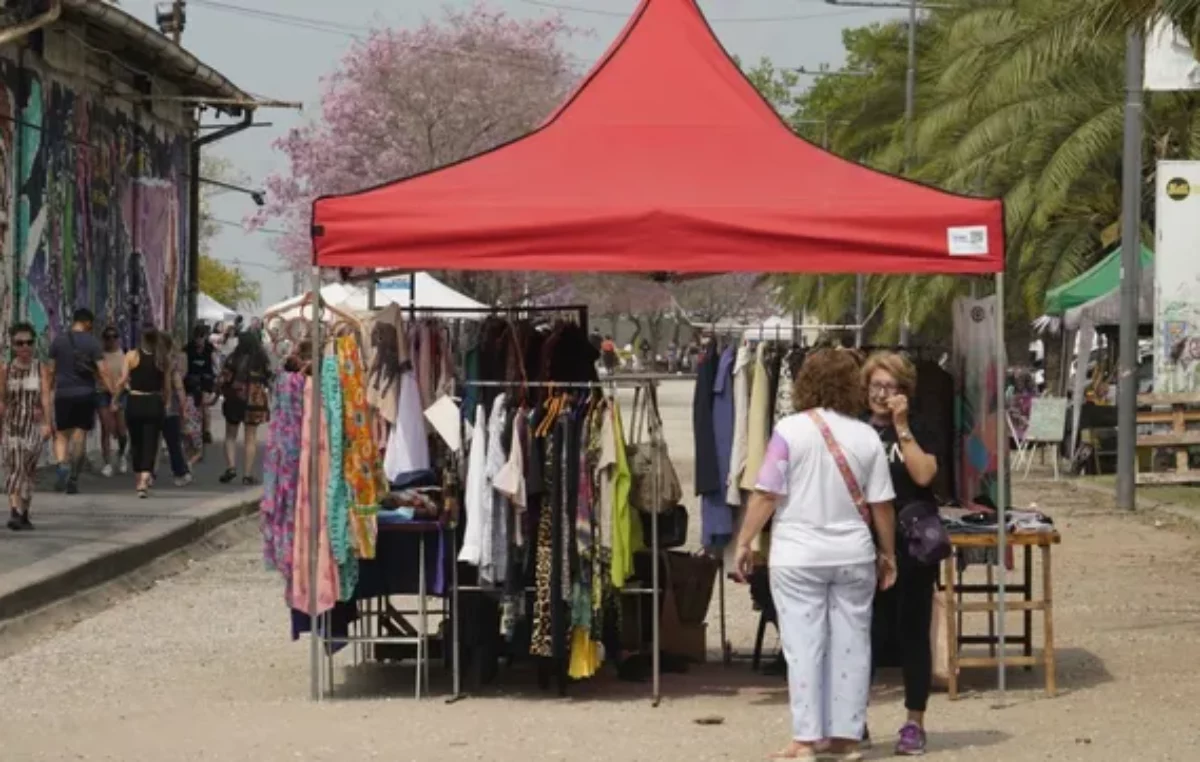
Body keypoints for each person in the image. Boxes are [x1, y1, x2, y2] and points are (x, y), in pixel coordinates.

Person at [734, 348, 897, 761]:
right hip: (853, 554)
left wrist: (745, 541)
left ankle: (805, 740)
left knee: (803, 646)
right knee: (852, 644)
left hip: (798, 555)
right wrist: (888, 553)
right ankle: (845, 739)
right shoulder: (867, 437)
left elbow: (767, 493)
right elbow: (881, 504)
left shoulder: (789, 430)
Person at [862, 352, 940, 757]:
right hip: (861, 545)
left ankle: (914, 722)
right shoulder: (854, 428)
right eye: (875, 386)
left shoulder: (920, 426)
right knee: (861, 635)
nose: (881, 394)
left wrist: (902, 427)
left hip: (911, 546)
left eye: (889, 387)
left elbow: (924, 475)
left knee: (913, 633)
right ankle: (853, 718)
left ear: (905, 392)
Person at [48, 307, 116, 494]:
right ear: (87, 323)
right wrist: (113, 392)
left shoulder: (58, 341)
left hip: (63, 394)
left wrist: (49, 391)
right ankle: (74, 477)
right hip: (85, 394)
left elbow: (51, 371)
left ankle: (62, 465)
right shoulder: (93, 343)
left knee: (61, 434)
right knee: (79, 436)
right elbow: (103, 370)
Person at [1, 323, 54, 530]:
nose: (24, 347)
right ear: (13, 346)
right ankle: (15, 511)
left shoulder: (41, 369)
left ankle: (25, 511)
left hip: (33, 425)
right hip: (12, 424)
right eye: (19, 343)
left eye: (29, 343)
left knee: (29, 469)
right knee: (15, 466)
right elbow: (2, 400)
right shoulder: (5, 370)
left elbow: (46, 398)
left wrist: (48, 423)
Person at [115, 327, 172, 498]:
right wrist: (166, 403)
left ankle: (138, 476)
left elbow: (123, 380)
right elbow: (167, 386)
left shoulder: (132, 356)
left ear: (142, 338)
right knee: (151, 441)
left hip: (135, 401)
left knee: (136, 441)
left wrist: (115, 399)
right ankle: (145, 479)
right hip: (154, 402)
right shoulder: (163, 359)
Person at [218, 330, 272, 485]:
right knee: (250, 437)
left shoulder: (233, 358)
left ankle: (231, 467)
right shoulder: (261, 359)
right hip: (254, 400)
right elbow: (269, 376)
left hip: (235, 399)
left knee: (230, 435)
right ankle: (247, 474)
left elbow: (224, 378)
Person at [159, 334, 194, 487]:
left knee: (152, 444)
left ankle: (148, 474)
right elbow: (179, 388)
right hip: (170, 408)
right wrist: (184, 409)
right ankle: (180, 472)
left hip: (153, 406)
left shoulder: (152, 361)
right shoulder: (171, 364)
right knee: (173, 443)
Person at [97, 326, 129, 477]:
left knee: (121, 429)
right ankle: (107, 462)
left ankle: (122, 454)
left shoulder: (124, 355)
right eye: (108, 337)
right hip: (103, 393)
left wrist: (118, 393)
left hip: (121, 393)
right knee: (106, 427)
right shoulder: (99, 356)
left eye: (114, 336)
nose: (111, 340)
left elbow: (127, 377)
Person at [186, 324, 217, 445]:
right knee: (193, 406)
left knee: (205, 405)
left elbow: (215, 364)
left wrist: (216, 375)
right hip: (191, 380)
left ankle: (207, 431)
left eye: (202, 337)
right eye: (197, 338)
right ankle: (194, 430)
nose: (199, 340)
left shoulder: (210, 349)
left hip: (206, 380)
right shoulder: (188, 348)